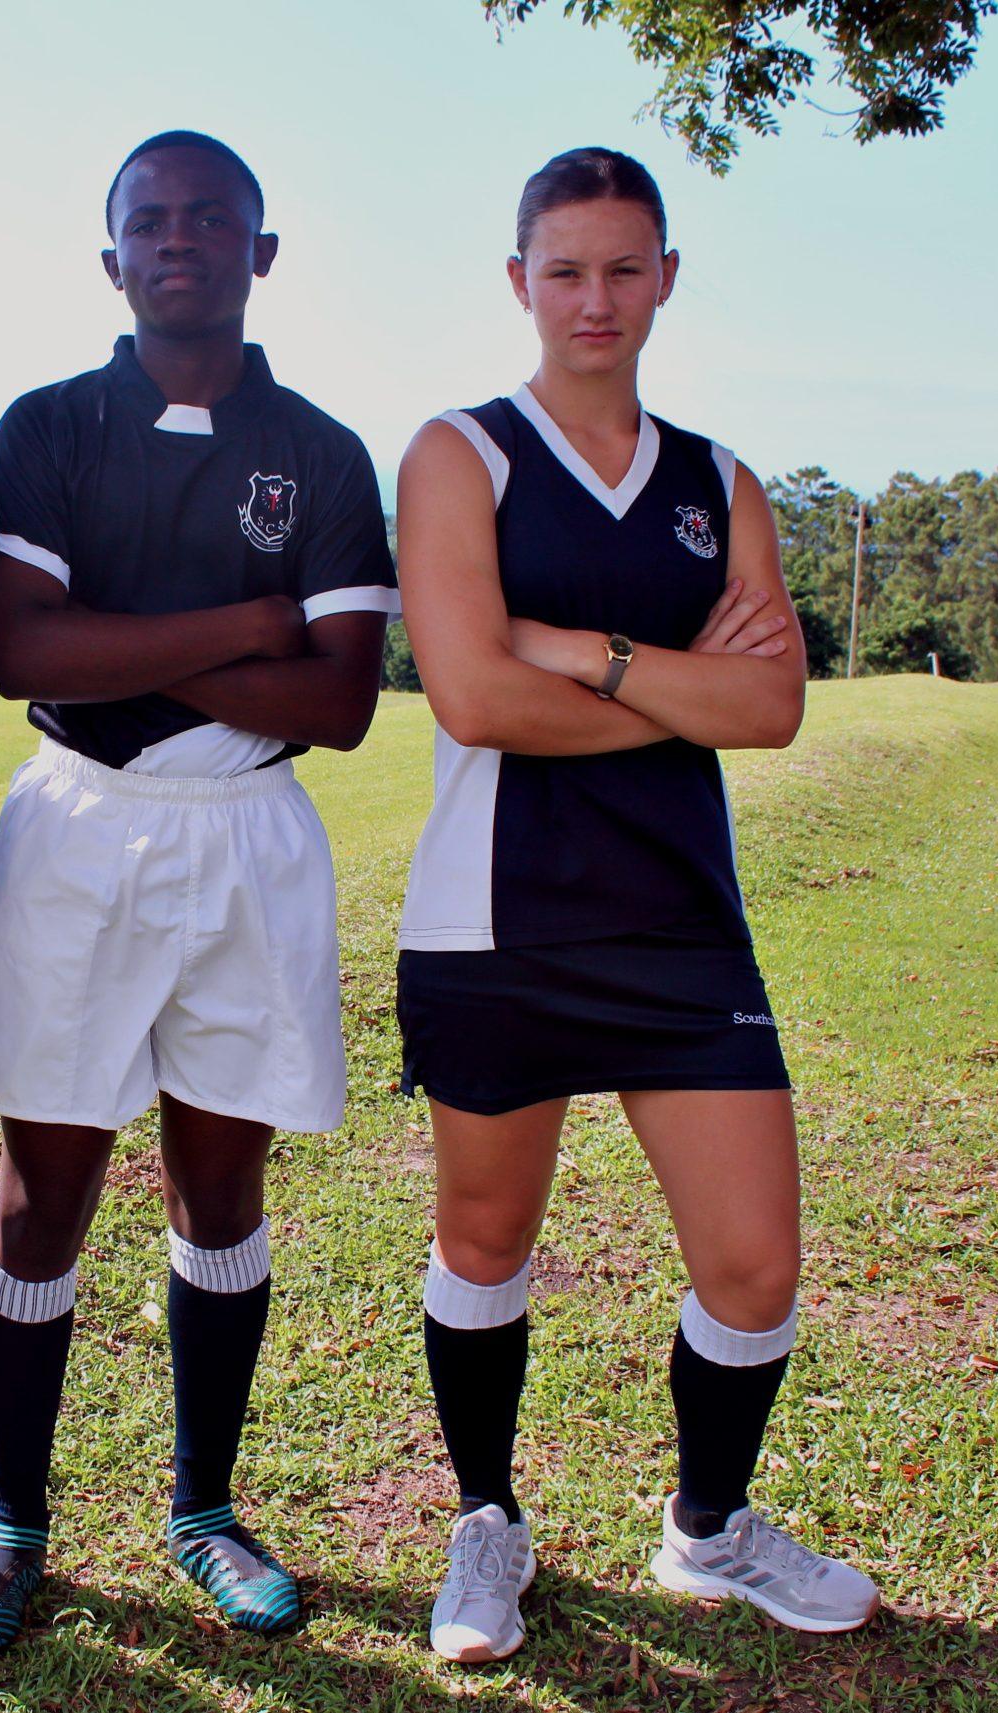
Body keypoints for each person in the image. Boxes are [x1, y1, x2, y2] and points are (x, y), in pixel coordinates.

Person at [391, 146, 880, 1663]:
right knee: (486, 1238)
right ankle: (487, 1520)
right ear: (519, 280)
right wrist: (682, 695)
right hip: (495, 916)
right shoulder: (459, 454)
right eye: (564, 269)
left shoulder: (720, 485)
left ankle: (709, 1528)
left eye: (623, 268)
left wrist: (583, 653)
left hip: (677, 921)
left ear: (667, 277)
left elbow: (774, 708)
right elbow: (473, 699)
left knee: (754, 1260)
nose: (593, 298)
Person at [0, 131, 397, 1657]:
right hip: (82, 823)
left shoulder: (322, 454)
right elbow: (28, 654)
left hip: (252, 829)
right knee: (43, 1188)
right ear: (111, 256)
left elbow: (338, 702)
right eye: (150, 220)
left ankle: (204, 1508)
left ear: (261, 254)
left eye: (211, 218)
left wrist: (133, 636)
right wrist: (248, 623)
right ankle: (13, 1523)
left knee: (221, 1183)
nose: (179, 238)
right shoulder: (51, 428)